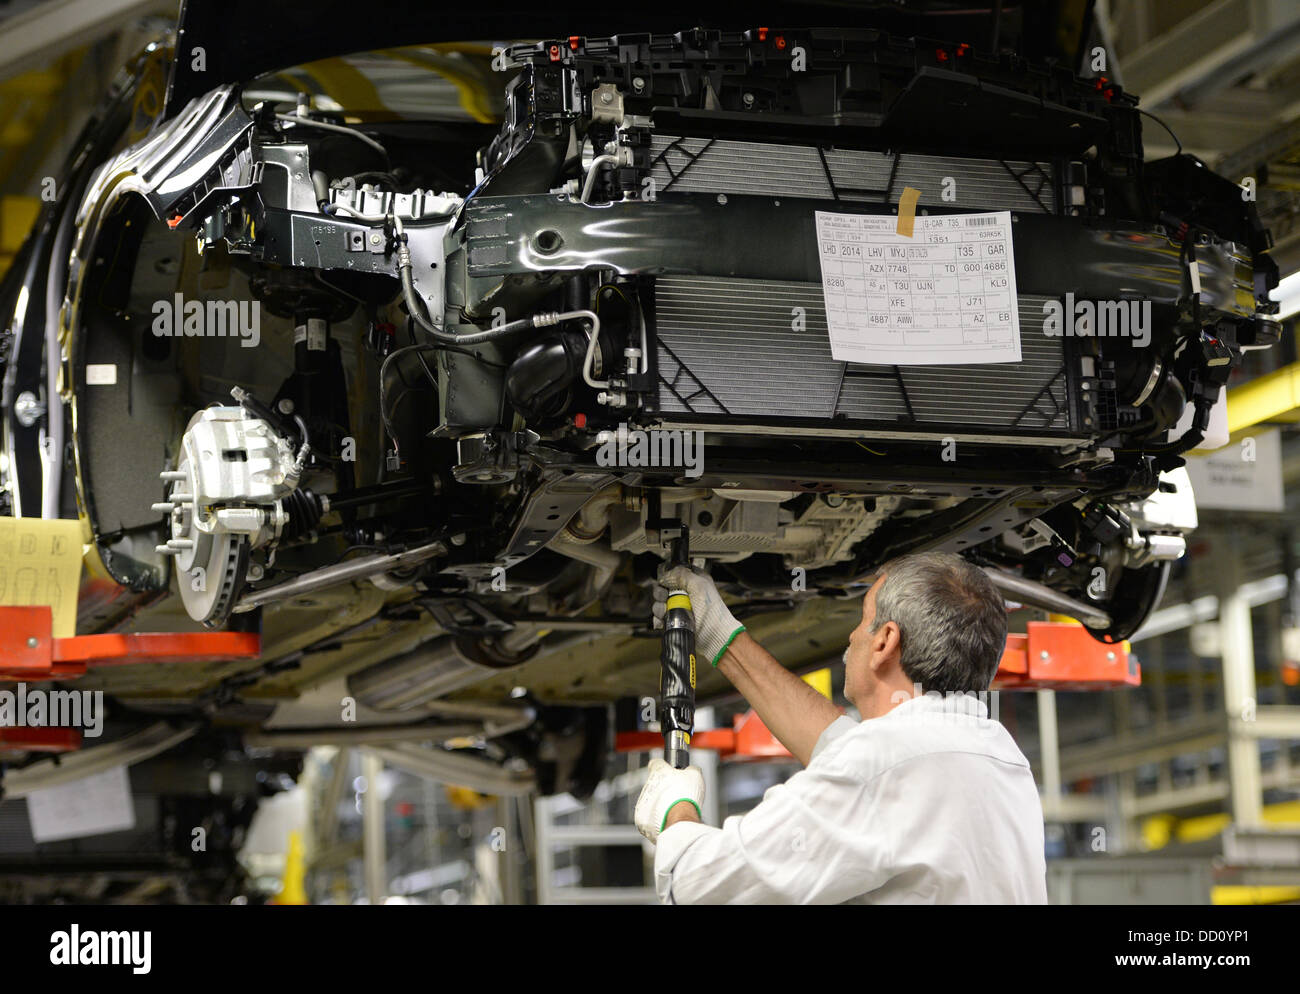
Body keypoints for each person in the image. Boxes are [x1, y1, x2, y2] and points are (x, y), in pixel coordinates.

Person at [634, 550, 1048, 904]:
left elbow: (701, 884)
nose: (851, 636)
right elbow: (846, 750)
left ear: (885, 641)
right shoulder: (998, 755)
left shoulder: (885, 761)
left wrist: (675, 811)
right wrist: (717, 631)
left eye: (862, 619)